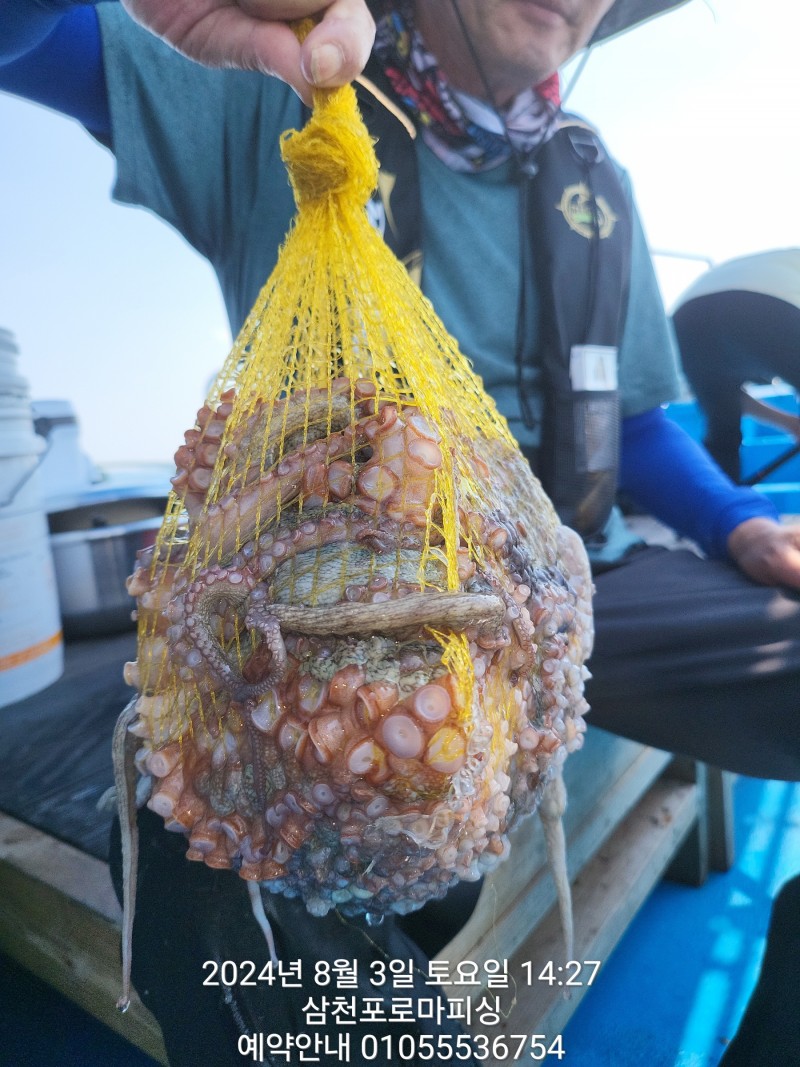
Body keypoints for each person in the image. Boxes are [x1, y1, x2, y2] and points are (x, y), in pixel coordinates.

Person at [2, 2, 799, 1064]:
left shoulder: (594, 183)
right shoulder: (271, 93)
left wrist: (740, 523)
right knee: (207, 818)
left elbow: (638, 421)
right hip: (334, 597)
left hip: (582, 574)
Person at [672, 248, 800, 482]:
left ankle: (721, 502)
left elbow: (723, 395)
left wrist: (790, 423)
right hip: (773, 303)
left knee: (723, 433)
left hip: (687, 314)